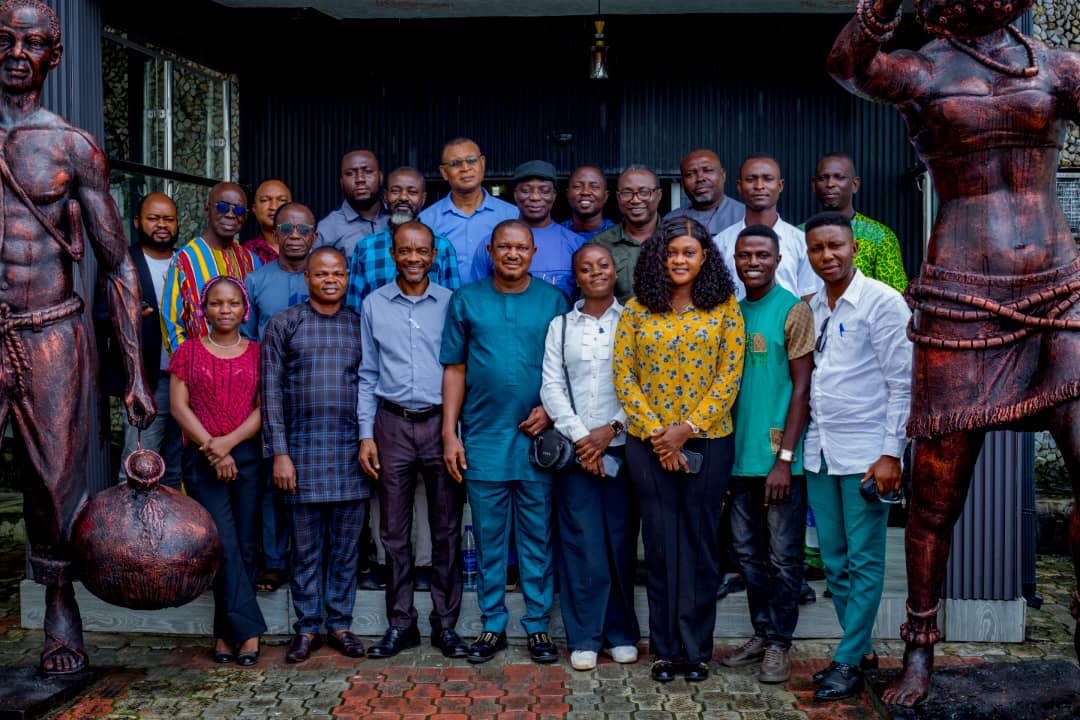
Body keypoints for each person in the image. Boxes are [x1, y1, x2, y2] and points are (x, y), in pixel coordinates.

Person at [828, 0, 1080, 705]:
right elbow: (848, 66)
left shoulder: (1057, 66)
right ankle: (919, 649)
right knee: (936, 495)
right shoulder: (921, 71)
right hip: (961, 295)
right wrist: (878, 11)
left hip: (1061, 291)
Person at [0, 0, 155, 674]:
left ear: (52, 56)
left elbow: (118, 266)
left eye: (31, 41)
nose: (15, 51)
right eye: (3, 39)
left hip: (51, 332)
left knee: (54, 484)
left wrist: (137, 374)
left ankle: (62, 613)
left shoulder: (71, 146)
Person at [613, 216, 744, 683]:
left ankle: (697, 651)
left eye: (689, 252)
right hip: (648, 446)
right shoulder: (635, 310)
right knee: (663, 548)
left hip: (709, 440)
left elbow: (729, 377)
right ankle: (666, 651)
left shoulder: (726, 309)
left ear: (704, 256)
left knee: (701, 546)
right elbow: (624, 377)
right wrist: (660, 436)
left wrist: (685, 430)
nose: (680, 260)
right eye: (672, 253)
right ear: (658, 258)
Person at [441, 219, 569, 665]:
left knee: (537, 537)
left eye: (521, 247)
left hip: (540, 441)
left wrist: (552, 411)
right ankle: (491, 624)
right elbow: (455, 368)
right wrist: (449, 433)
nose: (513, 254)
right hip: (483, 437)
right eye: (504, 248)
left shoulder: (554, 300)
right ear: (491, 252)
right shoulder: (466, 300)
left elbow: (567, 368)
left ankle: (538, 626)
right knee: (490, 538)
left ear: (533, 252)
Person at [800, 212, 912, 702]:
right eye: (818, 248)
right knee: (835, 560)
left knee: (865, 560)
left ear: (854, 249)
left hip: (867, 453)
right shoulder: (814, 306)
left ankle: (846, 660)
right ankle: (860, 649)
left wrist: (892, 453)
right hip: (820, 451)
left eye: (836, 247)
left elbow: (904, 384)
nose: (827, 256)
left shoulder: (882, 303)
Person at [358, 220, 467, 660]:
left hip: (441, 423)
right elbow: (367, 375)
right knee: (394, 533)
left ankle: (446, 626)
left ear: (434, 255)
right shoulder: (373, 304)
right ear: (394, 254)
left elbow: (461, 370)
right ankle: (400, 623)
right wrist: (366, 435)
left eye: (423, 251)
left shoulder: (452, 303)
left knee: (446, 530)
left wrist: (455, 433)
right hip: (392, 425)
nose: (414, 259)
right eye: (406, 251)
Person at [261, 247, 368, 663]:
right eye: (321, 273)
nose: (330, 280)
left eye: (337, 274)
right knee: (304, 550)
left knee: (345, 549)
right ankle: (306, 628)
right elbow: (269, 392)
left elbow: (371, 385)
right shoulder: (284, 324)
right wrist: (279, 454)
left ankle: (340, 623)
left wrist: (368, 440)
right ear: (306, 278)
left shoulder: (359, 326)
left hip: (349, 453)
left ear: (346, 278)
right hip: (300, 455)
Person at [540, 243, 639, 672]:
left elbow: (643, 383)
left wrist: (610, 431)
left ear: (613, 271)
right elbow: (551, 387)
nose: (596, 272)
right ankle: (584, 637)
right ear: (575, 276)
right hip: (578, 454)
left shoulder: (634, 320)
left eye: (602, 265)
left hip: (626, 448)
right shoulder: (561, 325)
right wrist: (585, 440)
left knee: (619, 544)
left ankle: (620, 633)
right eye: (586, 267)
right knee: (582, 545)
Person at [721, 225, 814, 684]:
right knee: (748, 555)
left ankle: (780, 643)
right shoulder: (731, 315)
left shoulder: (793, 311)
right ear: (734, 261)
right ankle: (762, 633)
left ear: (778, 260)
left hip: (779, 461)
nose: (752, 262)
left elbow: (802, 387)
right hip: (737, 460)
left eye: (761, 254)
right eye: (744, 255)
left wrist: (785, 457)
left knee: (783, 557)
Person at [168, 276, 265, 666]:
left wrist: (229, 444)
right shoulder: (188, 352)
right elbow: (178, 408)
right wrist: (214, 447)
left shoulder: (258, 353)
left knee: (243, 541)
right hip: (202, 459)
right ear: (203, 309)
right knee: (221, 542)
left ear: (245, 310)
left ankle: (226, 631)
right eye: (216, 304)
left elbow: (264, 407)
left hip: (246, 456)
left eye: (233, 304)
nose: (225, 310)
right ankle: (248, 631)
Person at [241, 202, 318, 593]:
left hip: (320, 394)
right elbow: (247, 343)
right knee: (274, 479)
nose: (293, 236)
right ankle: (273, 560)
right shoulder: (255, 281)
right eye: (286, 228)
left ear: (314, 237)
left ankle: (314, 560)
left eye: (302, 230)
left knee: (317, 478)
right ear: (274, 232)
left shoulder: (327, 277)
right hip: (271, 394)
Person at [99, 192, 183, 489]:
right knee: (138, 462)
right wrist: (127, 315)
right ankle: (127, 533)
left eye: (168, 219)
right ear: (137, 222)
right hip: (147, 380)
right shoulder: (123, 264)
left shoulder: (186, 262)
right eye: (153, 218)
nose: (162, 225)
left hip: (185, 380)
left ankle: (168, 533)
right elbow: (99, 314)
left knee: (176, 467)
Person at [162, 182, 261, 355]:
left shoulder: (252, 261)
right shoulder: (185, 259)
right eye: (222, 207)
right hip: (199, 371)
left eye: (238, 211)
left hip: (244, 370)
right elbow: (171, 323)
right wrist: (188, 367)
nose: (230, 215)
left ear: (245, 217)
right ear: (207, 210)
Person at [346, 167, 460, 309]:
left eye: (412, 192)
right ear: (385, 197)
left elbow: (453, 306)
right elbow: (354, 309)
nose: (403, 197)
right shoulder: (365, 247)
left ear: (423, 199)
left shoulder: (442, 246)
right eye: (396, 191)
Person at [713, 155, 820, 302]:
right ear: (739, 186)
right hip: (735, 324)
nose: (759, 186)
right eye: (751, 179)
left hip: (788, 324)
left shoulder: (802, 242)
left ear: (780, 185)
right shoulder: (720, 243)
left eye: (768, 179)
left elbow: (809, 298)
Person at [471, 160, 583, 297]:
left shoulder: (576, 244)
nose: (535, 197)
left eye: (544, 191)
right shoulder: (491, 244)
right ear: (515, 194)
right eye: (526, 190)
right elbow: (476, 297)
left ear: (554, 195)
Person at [419, 137, 517, 284]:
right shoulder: (426, 220)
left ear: (482, 163)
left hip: (497, 303)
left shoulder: (512, 215)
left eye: (471, 160)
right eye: (456, 163)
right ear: (444, 172)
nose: (465, 168)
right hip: (445, 304)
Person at [807, 153, 906, 292]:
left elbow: (894, 296)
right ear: (814, 185)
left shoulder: (880, 236)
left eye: (839, 177)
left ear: (855, 184)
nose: (830, 184)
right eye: (823, 178)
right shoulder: (799, 235)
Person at [590, 166, 664, 303]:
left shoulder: (677, 240)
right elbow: (591, 303)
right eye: (626, 193)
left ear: (658, 195)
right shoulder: (600, 245)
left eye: (644, 192)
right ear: (618, 197)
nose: (635, 200)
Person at [315, 149, 387, 261]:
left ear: (381, 177)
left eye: (367, 171)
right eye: (350, 173)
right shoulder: (328, 228)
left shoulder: (397, 217)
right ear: (341, 182)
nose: (360, 179)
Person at [664, 149, 745, 235]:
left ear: (723, 175)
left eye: (708, 171)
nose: (700, 178)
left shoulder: (744, 216)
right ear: (682, 183)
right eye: (690, 174)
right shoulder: (670, 220)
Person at [244, 179, 293, 265]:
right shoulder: (246, 253)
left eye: (282, 200)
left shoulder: (308, 246)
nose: (273, 207)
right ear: (254, 209)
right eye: (265, 200)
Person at [560, 165, 615, 240]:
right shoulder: (558, 235)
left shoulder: (617, 236)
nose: (585, 192)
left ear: (605, 196)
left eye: (594, 186)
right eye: (577, 186)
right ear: (568, 194)